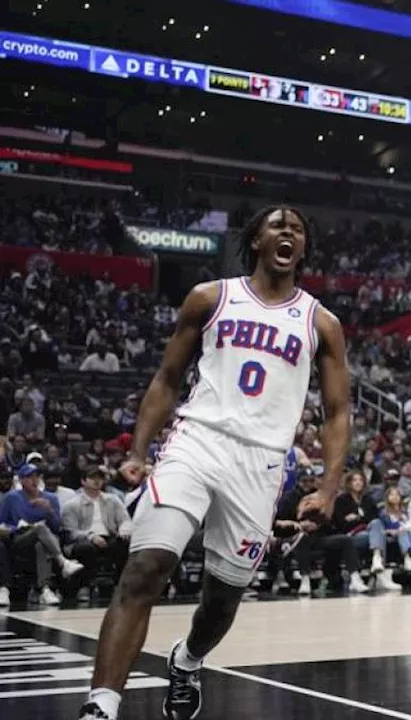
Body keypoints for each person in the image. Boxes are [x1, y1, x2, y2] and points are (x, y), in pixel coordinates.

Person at [78, 206, 351, 720]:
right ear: (255, 240)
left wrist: (329, 486)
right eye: (277, 224)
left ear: (303, 249)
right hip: (196, 442)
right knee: (147, 567)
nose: (288, 231)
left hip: (263, 464)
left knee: (222, 600)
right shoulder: (211, 297)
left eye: (297, 228)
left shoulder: (321, 322)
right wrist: (138, 450)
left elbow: (338, 412)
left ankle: (187, 659)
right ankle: (102, 705)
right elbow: (167, 377)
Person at [0, 463, 85, 605]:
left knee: (41, 542)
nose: (34, 480)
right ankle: (63, 562)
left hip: (45, 541)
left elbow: (57, 527)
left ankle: (45, 590)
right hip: (19, 539)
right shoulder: (11, 498)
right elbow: (1, 523)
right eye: (29, 477)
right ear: (20, 480)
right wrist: (18, 527)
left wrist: (49, 511)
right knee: (40, 529)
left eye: (36, 476)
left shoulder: (50, 498)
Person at [61, 467, 133, 600]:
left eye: (100, 478)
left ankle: (122, 585)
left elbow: (125, 520)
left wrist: (124, 529)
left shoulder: (113, 500)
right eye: (92, 478)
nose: (97, 481)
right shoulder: (71, 504)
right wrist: (91, 536)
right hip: (83, 540)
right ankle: (84, 586)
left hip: (109, 536)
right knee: (85, 549)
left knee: (125, 544)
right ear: (83, 481)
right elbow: (70, 532)